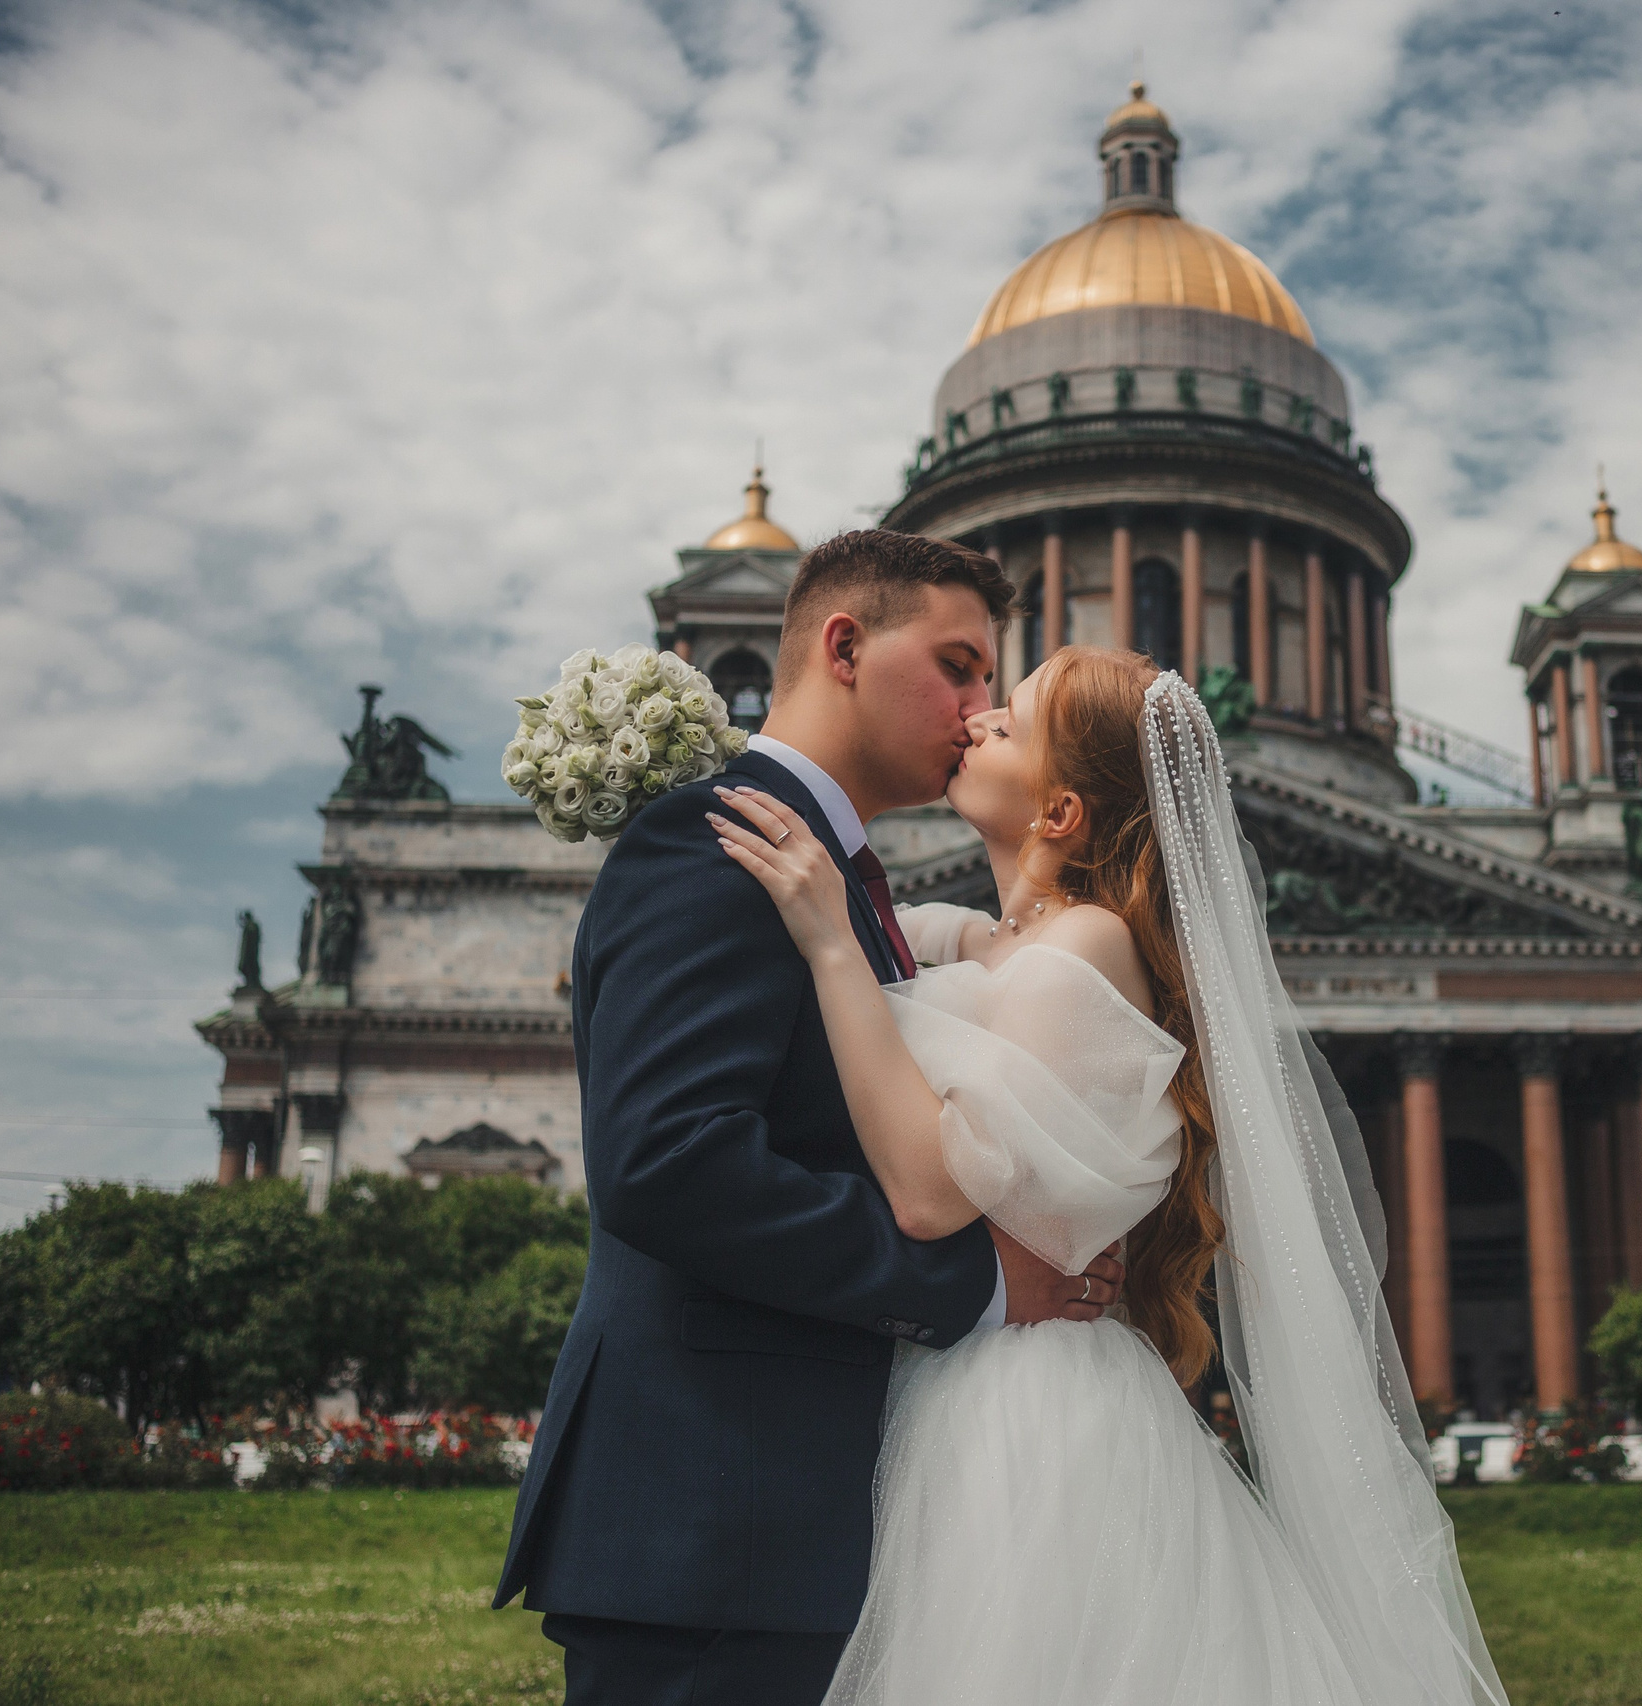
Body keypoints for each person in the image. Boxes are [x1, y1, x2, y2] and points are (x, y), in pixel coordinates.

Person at [709, 645, 1509, 1706]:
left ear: (1060, 812)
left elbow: (933, 1196)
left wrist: (829, 949)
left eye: (1011, 719)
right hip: (975, 1374)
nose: (977, 718)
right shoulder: (995, 941)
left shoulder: (1084, 945)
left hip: (1025, 1414)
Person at [493, 532, 1127, 1706]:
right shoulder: (720, 841)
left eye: (992, 681)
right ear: (844, 646)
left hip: (778, 1525)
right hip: (710, 1525)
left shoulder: (831, 875)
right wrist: (978, 1284)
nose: (979, 711)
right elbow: (670, 1162)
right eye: (957, 665)